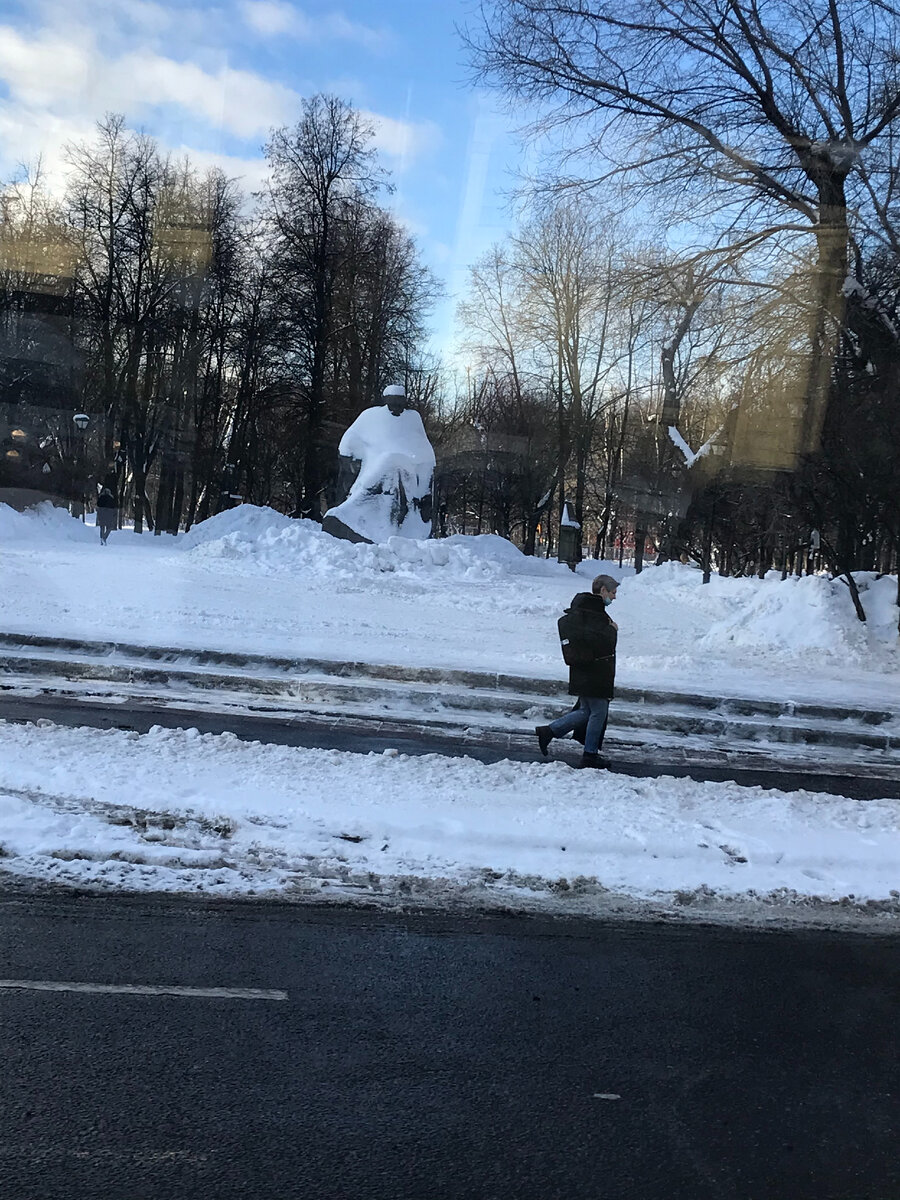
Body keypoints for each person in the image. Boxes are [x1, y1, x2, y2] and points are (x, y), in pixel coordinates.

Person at [535, 574, 619, 769]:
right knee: (598, 712)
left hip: (586, 671)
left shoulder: (586, 609)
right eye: (613, 593)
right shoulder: (594, 612)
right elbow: (600, 642)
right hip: (594, 673)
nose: (614, 597)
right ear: (603, 590)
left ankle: (549, 731)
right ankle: (589, 755)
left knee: (587, 711)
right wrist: (613, 630)